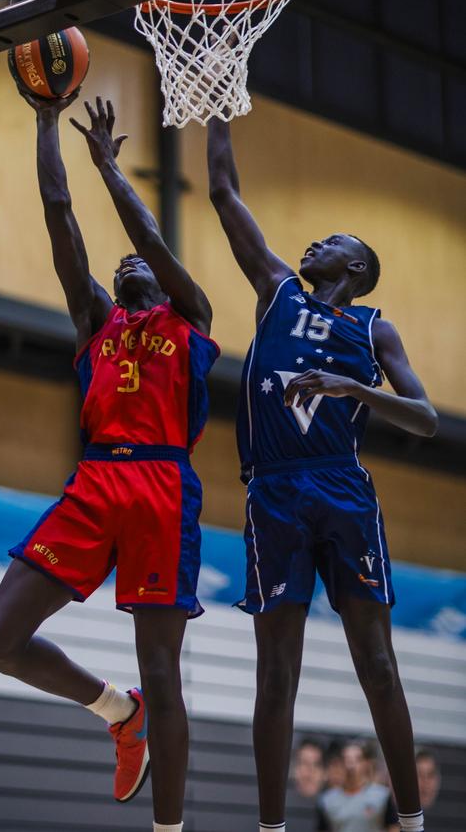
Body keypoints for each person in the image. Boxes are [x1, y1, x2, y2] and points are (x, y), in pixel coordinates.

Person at [0, 78, 217, 832]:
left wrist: (113, 170)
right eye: (113, 270)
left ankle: (167, 828)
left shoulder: (191, 315)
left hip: (160, 479)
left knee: (165, 670)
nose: (123, 264)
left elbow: (149, 242)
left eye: (132, 264)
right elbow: (60, 218)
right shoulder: (96, 325)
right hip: (96, 476)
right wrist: (48, 123)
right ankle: (118, 712)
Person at [207, 116, 437, 832]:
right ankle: (272, 827)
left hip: (341, 484)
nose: (314, 243)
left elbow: (426, 417)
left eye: (332, 241)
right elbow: (221, 190)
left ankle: (414, 821)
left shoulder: (374, 328)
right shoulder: (277, 289)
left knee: (377, 661)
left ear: (355, 268)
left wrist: (355, 390)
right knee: (276, 673)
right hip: (272, 489)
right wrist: (218, 95)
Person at [316, 742, 398, 832]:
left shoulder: (382, 796)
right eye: (346, 759)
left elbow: (394, 828)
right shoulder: (327, 800)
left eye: (357, 759)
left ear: (366, 763)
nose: (351, 765)